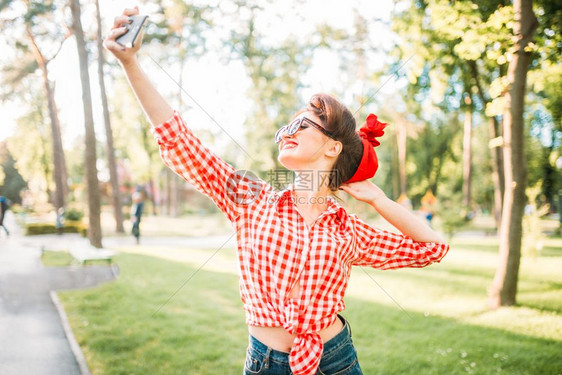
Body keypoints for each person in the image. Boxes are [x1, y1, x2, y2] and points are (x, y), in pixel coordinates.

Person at [104, 8, 449, 375]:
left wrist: (379, 200)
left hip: (336, 360)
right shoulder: (250, 198)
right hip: (266, 362)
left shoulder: (347, 229)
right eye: (287, 125)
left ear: (333, 147)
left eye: (301, 124)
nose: (287, 132)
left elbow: (432, 247)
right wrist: (131, 65)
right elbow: (179, 141)